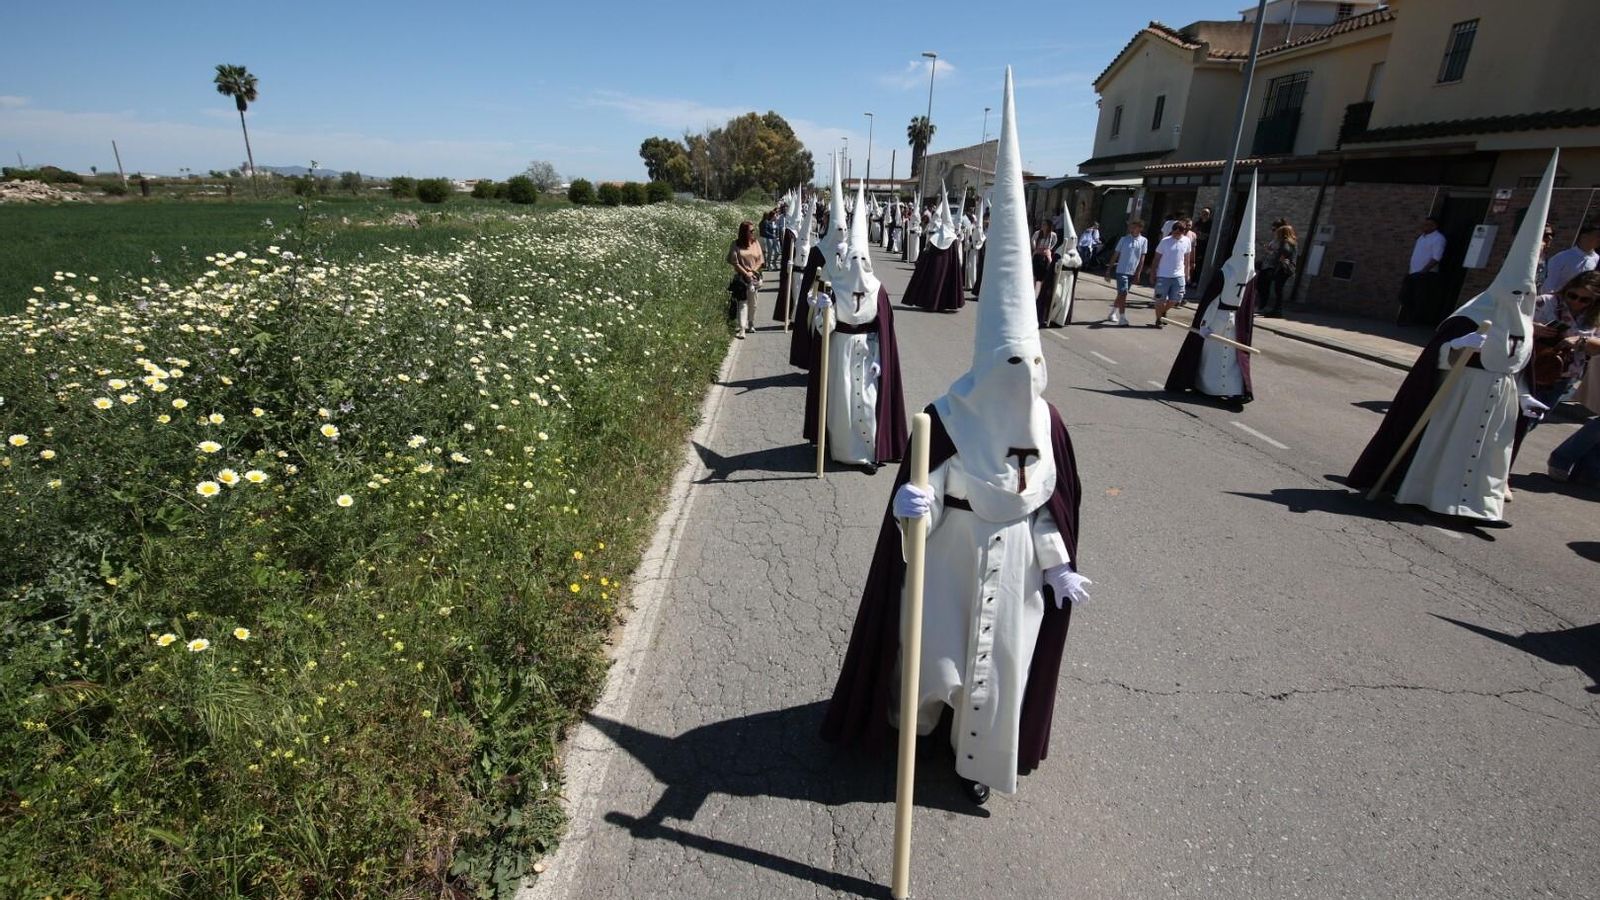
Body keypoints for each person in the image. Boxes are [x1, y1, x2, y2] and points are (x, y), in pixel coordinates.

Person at [822, 68, 1090, 806]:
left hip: (1016, 568)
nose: (1019, 382)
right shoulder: (944, 418)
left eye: (1030, 368)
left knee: (1000, 669)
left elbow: (1045, 507)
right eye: (1009, 366)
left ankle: (979, 766)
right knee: (934, 659)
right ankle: (913, 735)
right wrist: (914, 508)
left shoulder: (1050, 425)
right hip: (947, 559)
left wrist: (1057, 564)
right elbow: (928, 489)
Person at [1347, 152, 1560, 524]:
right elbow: (1436, 359)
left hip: (1500, 400)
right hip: (1462, 395)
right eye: (1516, 294)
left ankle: (1481, 506)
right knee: (1449, 448)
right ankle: (1427, 495)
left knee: (1488, 455)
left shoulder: (1526, 323)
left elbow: (1519, 365)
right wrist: (1457, 346)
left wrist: (1525, 395)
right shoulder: (1472, 316)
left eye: (1526, 295)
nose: (1520, 301)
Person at [803, 178, 909, 474]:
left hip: (868, 350)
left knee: (869, 400)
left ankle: (869, 452)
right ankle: (844, 451)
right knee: (843, 403)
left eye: (864, 258)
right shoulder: (834, 286)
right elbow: (824, 329)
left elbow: (884, 331)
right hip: (840, 351)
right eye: (854, 258)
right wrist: (824, 310)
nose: (859, 263)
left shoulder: (878, 289)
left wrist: (880, 359)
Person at [1165, 173, 1260, 406]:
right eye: (1245, 255)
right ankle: (1206, 385)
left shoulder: (1251, 275)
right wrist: (1205, 325)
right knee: (1212, 357)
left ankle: (1235, 389)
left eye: (1250, 256)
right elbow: (1211, 301)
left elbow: (1247, 305)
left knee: (1232, 360)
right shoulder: (1225, 273)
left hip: (1234, 323)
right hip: (1217, 319)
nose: (1247, 260)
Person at [1519, 270, 1600, 445]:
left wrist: (1581, 341)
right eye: (1572, 295)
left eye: (1584, 300)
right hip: (1530, 370)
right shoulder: (1546, 302)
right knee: (1515, 420)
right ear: (1567, 290)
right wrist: (1533, 327)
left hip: (1561, 378)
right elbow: (1512, 322)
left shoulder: (1594, 318)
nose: (1576, 302)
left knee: (1531, 422)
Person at [901, 183, 966, 312]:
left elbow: (928, 250)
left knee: (935, 281)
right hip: (946, 267)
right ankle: (940, 303)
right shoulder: (949, 237)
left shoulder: (939, 237)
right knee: (941, 282)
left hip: (937, 267)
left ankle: (932, 302)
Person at [1397, 216, 1446, 325]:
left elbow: (1436, 257)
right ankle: (1406, 318)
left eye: (1428, 225)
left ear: (1434, 226)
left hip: (1425, 274)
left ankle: (1414, 321)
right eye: (1424, 224)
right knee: (1404, 296)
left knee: (1419, 298)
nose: (1424, 227)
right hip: (1413, 272)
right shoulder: (1421, 237)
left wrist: (1424, 271)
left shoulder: (1438, 238)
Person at [1040, 200, 1082, 328]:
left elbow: (1078, 265)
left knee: (1065, 300)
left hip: (1069, 278)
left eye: (1074, 239)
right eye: (1071, 239)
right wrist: (1059, 264)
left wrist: (1071, 261)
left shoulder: (1075, 253)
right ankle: (1049, 317)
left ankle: (1058, 320)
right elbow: (1054, 267)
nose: (1073, 241)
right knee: (1057, 297)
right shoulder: (1060, 251)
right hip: (1059, 278)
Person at [1102, 220, 1147, 327]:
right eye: (1131, 226)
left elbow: (1142, 258)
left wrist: (1138, 273)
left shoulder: (1144, 241)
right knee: (1123, 293)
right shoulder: (1124, 239)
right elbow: (1116, 254)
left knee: (1121, 294)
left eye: (1134, 227)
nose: (1131, 228)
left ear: (1140, 228)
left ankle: (1112, 313)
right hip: (1121, 271)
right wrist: (1108, 270)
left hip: (1132, 272)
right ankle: (1122, 318)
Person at [1151, 219, 1193, 327]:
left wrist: (1187, 273)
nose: (1176, 234)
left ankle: (1163, 312)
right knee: (1160, 299)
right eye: (1174, 231)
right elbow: (1156, 258)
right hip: (1163, 275)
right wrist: (1153, 273)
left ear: (1183, 232)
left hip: (1179, 275)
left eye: (1179, 232)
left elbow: (1187, 259)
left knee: (1176, 299)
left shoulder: (1187, 241)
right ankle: (1159, 319)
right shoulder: (1165, 241)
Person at [725, 220, 764, 338]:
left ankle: (751, 323)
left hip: (754, 276)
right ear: (744, 232)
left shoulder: (755, 243)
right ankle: (742, 328)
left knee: (753, 302)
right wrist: (746, 273)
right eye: (751, 231)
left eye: (753, 230)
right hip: (742, 277)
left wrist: (752, 272)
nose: (753, 232)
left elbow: (760, 260)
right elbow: (734, 262)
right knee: (743, 303)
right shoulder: (735, 244)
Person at [1542, 222, 1600, 294]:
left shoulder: (1597, 260)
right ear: (1584, 236)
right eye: (1597, 236)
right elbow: (1549, 284)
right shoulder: (1562, 257)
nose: (1599, 239)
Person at [1257, 223, 1297, 318]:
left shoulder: (1285, 242)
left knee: (1278, 289)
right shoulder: (1292, 242)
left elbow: (1284, 253)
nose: (1276, 234)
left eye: (1278, 232)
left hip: (1283, 269)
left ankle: (1277, 311)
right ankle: (1277, 310)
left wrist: (1276, 254)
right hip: (1287, 269)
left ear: (1283, 233)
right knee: (1278, 289)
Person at [1030, 217, 1058, 299]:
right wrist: (1035, 248)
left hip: (1046, 254)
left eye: (1044, 224)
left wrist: (1049, 249)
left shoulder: (1052, 235)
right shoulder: (1038, 233)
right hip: (1038, 253)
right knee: (1035, 273)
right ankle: (1034, 291)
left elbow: (1055, 242)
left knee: (1045, 272)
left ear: (1048, 226)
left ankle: (1039, 292)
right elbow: (1033, 240)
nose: (1042, 226)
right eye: (1042, 224)